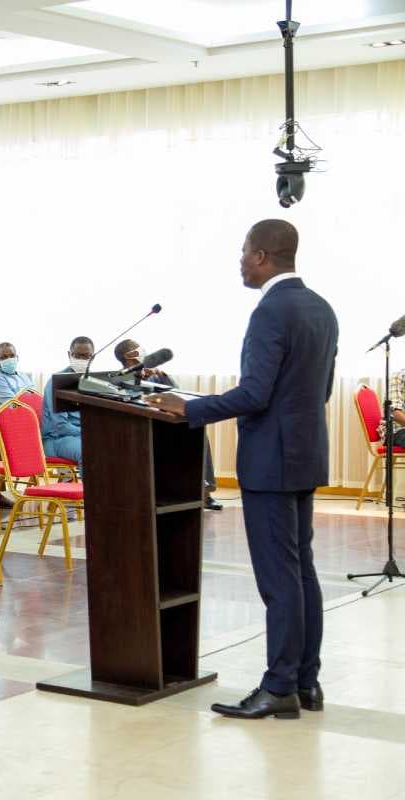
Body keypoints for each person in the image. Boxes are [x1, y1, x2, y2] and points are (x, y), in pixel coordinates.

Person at [150, 219, 338, 721]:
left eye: (243, 251)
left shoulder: (270, 312)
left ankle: (279, 688)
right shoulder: (322, 308)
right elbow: (319, 392)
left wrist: (186, 410)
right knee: (301, 572)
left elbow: (255, 394)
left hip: (271, 463)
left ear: (260, 256)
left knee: (280, 579)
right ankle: (305, 682)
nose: (239, 260)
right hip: (305, 454)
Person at [115, 338, 222, 511]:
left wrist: (162, 376)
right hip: (146, 426)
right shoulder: (120, 377)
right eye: (138, 348)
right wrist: (138, 378)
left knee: (199, 434)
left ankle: (205, 492)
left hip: (171, 422)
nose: (144, 350)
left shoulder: (154, 373)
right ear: (130, 355)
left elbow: (177, 393)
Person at [41, 336, 93, 470]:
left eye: (86, 356)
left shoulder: (95, 382)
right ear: (69, 355)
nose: (81, 360)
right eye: (77, 356)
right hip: (57, 439)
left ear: (92, 358)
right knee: (90, 452)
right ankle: (89, 491)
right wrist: (90, 432)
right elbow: (60, 426)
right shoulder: (57, 382)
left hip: (82, 435)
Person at [0, 342, 36, 409]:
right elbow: (15, 405)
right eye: (3, 357)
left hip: (32, 412)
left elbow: (35, 396)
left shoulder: (23, 375)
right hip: (14, 417)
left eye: (12, 356)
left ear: (17, 358)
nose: (9, 359)